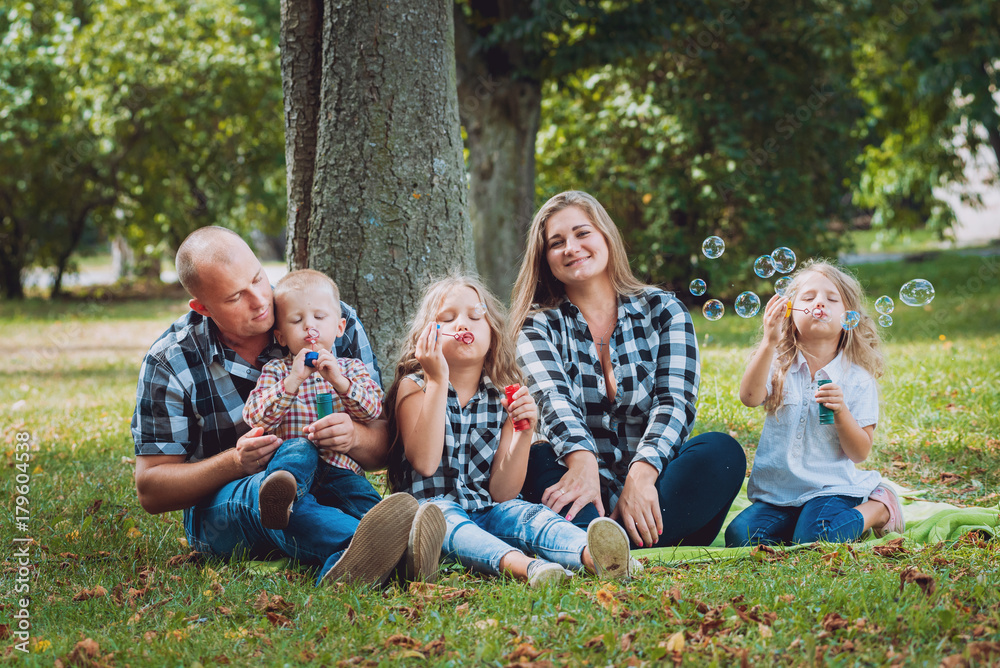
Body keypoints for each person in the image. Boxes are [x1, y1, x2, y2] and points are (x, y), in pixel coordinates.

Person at [131, 226, 442, 586]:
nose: (260, 301)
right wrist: (235, 462)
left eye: (258, 278)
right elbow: (151, 489)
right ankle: (397, 553)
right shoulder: (170, 360)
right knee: (269, 494)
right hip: (224, 508)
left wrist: (352, 436)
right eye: (235, 298)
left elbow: (381, 443)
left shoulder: (325, 317)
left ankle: (361, 557)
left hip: (328, 487)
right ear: (203, 307)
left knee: (316, 501)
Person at [511, 190, 746, 550]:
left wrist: (643, 473)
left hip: (656, 491)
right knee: (534, 457)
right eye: (556, 243)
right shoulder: (537, 326)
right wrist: (583, 463)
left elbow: (675, 403)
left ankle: (606, 543)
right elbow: (552, 401)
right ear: (545, 260)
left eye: (582, 233)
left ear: (606, 235)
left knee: (721, 451)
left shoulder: (664, 310)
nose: (571, 247)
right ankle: (600, 540)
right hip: (578, 485)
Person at [386, 274, 639, 586]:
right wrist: (437, 380)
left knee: (529, 515)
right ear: (426, 336)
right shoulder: (416, 387)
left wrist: (522, 432)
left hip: (488, 509)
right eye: (447, 319)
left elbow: (502, 493)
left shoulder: (503, 395)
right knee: (448, 521)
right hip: (432, 515)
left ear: (492, 332)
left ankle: (596, 555)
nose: (463, 325)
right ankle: (529, 568)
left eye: (475, 316)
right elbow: (424, 461)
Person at [724, 260, 904, 547]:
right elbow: (749, 398)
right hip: (779, 496)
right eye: (808, 298)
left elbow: (859, 452)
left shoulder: (857, 379)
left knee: (817, 538)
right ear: (790, 313)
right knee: (739, 537)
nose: (819, 303)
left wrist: (841, 412)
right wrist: (769, 342)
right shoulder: (778, 365)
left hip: (831, 489)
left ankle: (879, 508)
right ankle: (804, 522)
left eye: (832, 299)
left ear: (849, 317)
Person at [243, 269, 384, 531]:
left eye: (320, 317)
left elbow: (374, 410)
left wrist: (341, 382)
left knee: (367, 505)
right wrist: (291, 382)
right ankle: (277, 497)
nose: (310, 326)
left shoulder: (351, 369)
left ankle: (394, 533)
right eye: (297, 320)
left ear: (340, 327)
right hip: (294, 473)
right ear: (281, 337)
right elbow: (254, 417)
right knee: (299, 448)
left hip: (341, 467)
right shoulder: (277, 371)